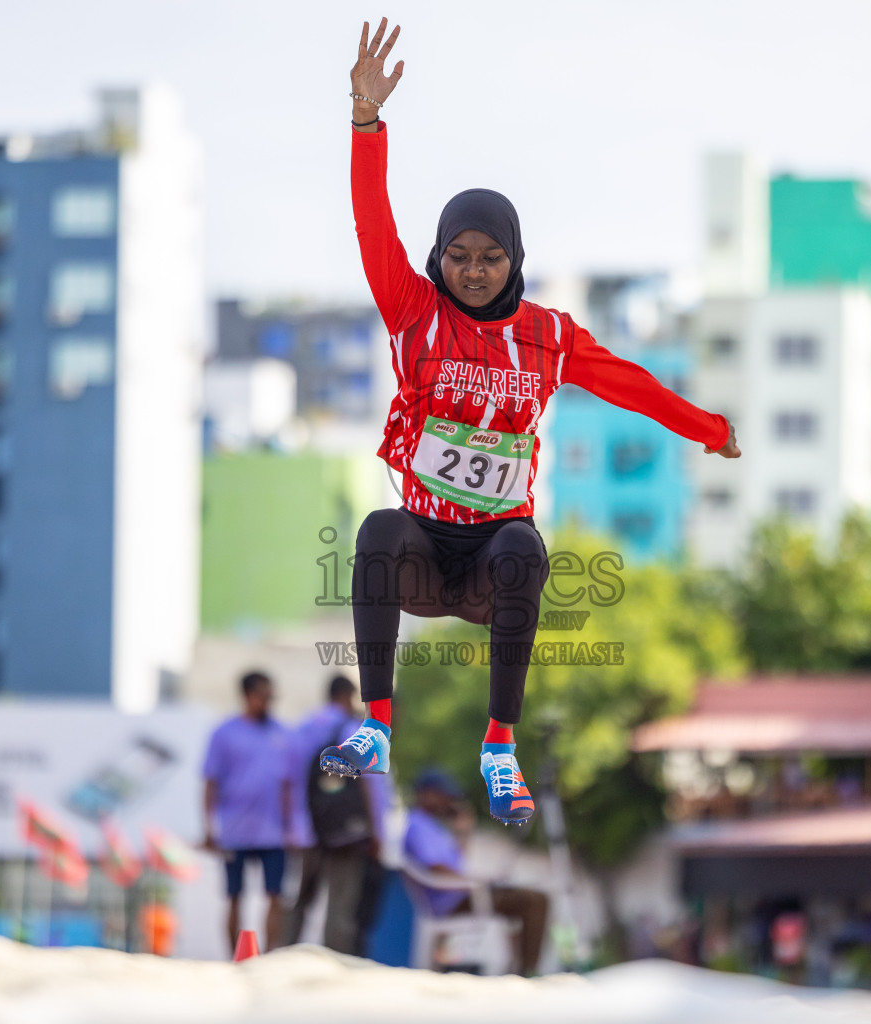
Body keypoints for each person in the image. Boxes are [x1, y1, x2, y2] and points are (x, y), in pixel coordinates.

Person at [320, 18, 741, 827]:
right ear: (440, 259)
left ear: (515, 259)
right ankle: (377, 724)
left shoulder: (548, 336)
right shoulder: (413, 312)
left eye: (490, 258)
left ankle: (499, 745)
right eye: (458, 256)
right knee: (375, 529)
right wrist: (366, 124)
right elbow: (374, 225)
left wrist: (708, 428)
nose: (473, 271)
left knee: (524, 544)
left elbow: (629, 385)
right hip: (421, 546)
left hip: (490, 566)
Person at [403, 769, 549, 976]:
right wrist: (476, 882)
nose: (448, 801)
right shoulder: (418, 825)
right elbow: (436, 868)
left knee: (527, 897)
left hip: (461, 894)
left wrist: (463, 832)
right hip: (453, 901)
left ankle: (520, 969)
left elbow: (454, 863)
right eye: (444, 795)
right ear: (427, 794)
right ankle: (527, 973)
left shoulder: (434, 827)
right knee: (534, 900)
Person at [281, 674, 385, 954]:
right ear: (346, 696)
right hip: (344, 833)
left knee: (299, 900)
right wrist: (375, 831)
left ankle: (284, 954)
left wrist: (291, 825)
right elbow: (368, 782)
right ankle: (335, 961)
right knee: (340, 902)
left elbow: (286, 781)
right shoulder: (351, 729)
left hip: (305, 830)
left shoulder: (300, 727)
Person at [202, 670, 292, 954]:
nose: (266, 702)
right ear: (246, 696)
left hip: (273, 831)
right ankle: (235, 957)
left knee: (276, 896)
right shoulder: (224, 733)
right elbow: (210, 782)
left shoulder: (281, 733)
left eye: (269, 696)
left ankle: (269, 955)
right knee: (234, 897)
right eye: (261, 695)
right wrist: (209, 828)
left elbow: (289, 785)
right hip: (234, 831)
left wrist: (292, 827)